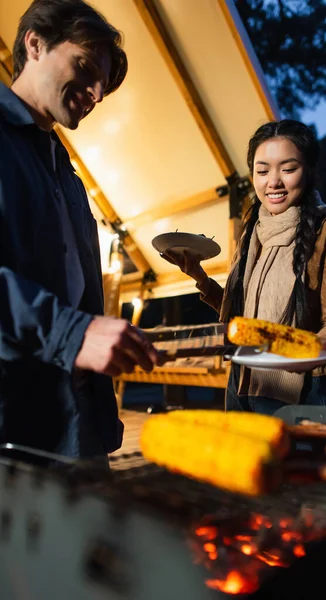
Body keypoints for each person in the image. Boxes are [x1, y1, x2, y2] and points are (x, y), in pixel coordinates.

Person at [0, 0, 159, 460]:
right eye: (85, 68)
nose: (94, 94)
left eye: (102, 88)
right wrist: (72, 334)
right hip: (14, 430)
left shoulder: (65, 170)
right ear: (35, 43)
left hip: (80, 424)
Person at [161, 120, 326, 415]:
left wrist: (306, 352)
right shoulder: (251, 232)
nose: (273, 182)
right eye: (263, 171)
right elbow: (240, 321)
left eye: (288, 169)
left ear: (310, 171)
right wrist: (199, 276)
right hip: (240, 381)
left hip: (299, 390)